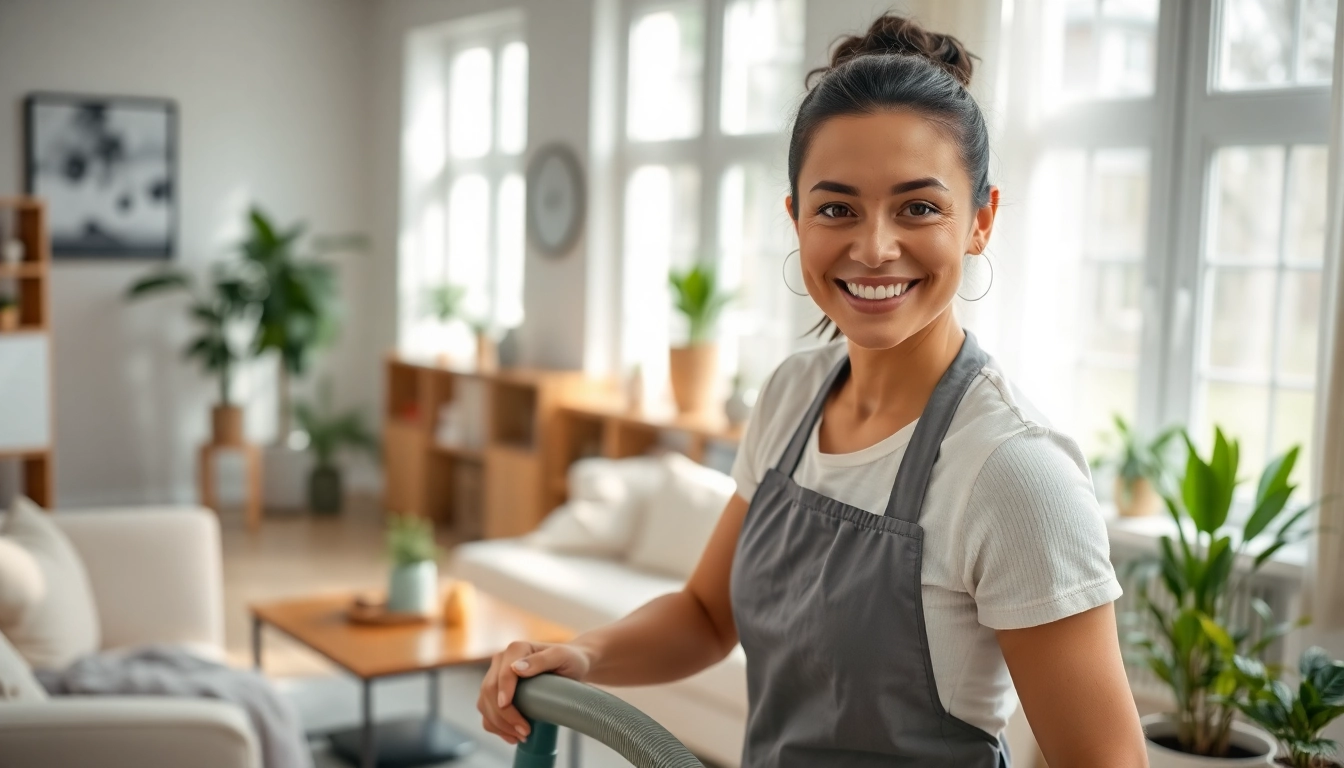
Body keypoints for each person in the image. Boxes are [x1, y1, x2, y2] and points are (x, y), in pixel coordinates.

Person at [478, 13, 1148, 767]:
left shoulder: (1013, 473)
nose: (874, 247)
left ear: (981, 220)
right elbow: (705, 615)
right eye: (837, 208)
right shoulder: (793, 396)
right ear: (795, 218)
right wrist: (584, 654)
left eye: (919, 207)